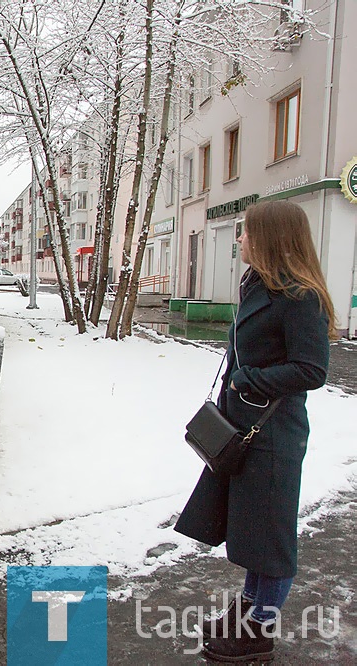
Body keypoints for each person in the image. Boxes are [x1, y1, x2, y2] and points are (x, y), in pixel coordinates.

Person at [175, 200, 335, 662]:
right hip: (243, 429)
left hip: (272, 435)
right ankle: (247, 609)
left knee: (272, 540)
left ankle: (258, 631)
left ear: (270, 239)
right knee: (251, 533)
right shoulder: (258, 284)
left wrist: (250, 380)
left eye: (246, 233)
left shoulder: (301, 297)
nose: (240, 240)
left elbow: (312, 369)